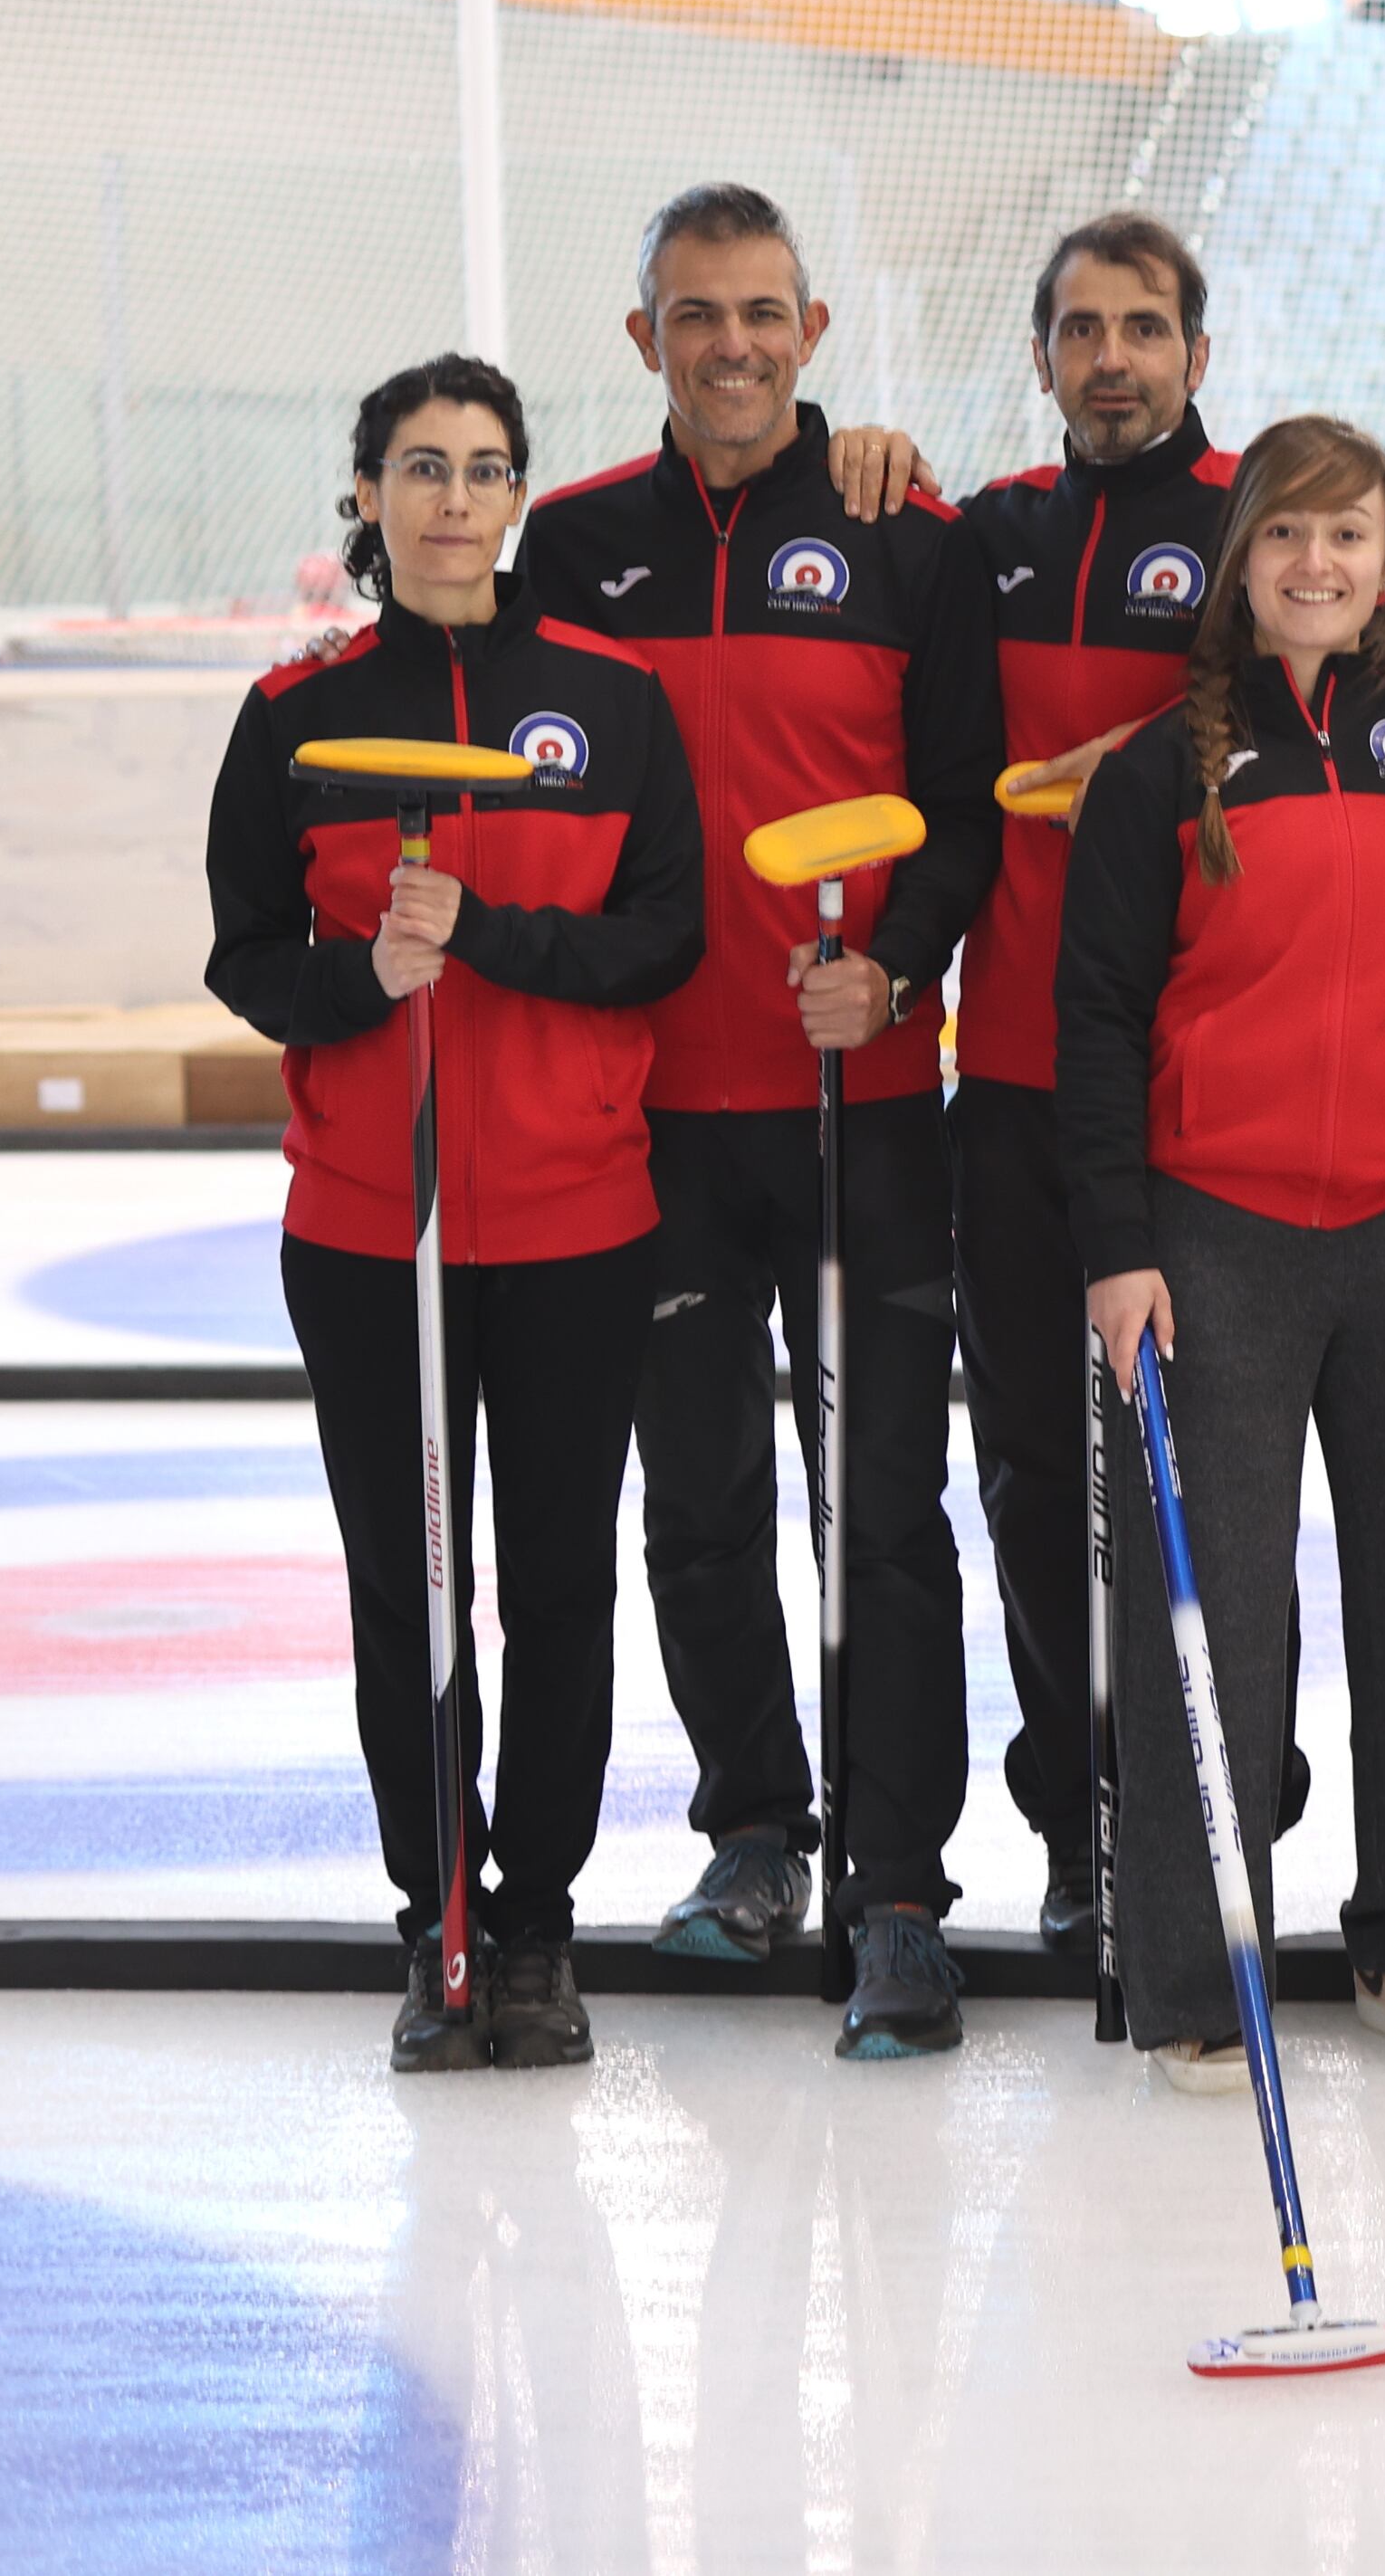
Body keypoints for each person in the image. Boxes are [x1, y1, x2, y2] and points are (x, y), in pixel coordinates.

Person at [527, 181, 1002, 2059]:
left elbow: (960, 811)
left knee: (881, 1506)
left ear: (813, 332)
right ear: (644, 338)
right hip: (645, 1121)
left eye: (762, 312)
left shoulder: (907, 536)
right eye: (693, 313)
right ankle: (754, 1836)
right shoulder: (566, 547)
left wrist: (892, 969)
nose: (731, 343)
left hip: (861, 1107)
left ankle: (899, 1888)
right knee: (703, 1505)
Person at [204, 353, 702, 2072]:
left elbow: (664, 937)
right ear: (367, 495)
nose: (454, 498)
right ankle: (442, 1918)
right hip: (366, 1227)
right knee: (407, 1583)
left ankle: (542, 1918)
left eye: (487, 468)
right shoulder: (293, 713)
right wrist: (365, 975)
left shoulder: (613, 701)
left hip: (575, 1217)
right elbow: (248, 959)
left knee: (560, 1578)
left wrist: (489, 934)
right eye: (420, 466)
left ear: (516, 500)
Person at [1055, 415, 1385, 2086]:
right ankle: (1202, 1963)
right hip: (1211, 1241)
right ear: (1240, 562)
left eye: (1351, 539)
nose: (1318, 567)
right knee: (1212, 1613)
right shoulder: (1156, 772)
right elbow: (1097, 1021)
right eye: (1288, 538)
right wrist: (1116, 1244)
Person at [944, 212, 1237, 1959]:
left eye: (1142, 327)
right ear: (1044, 356)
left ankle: (1218, 1802)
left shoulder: (1248, 528)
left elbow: (1308, 698)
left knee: (1203, 1468)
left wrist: (1139, 750)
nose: (1110, 356)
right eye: (1079, 330)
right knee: (1037, 1473)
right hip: (1016, 1078)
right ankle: (1080, 1818)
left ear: (1197, 353)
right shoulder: (981, 536)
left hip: (1198, 1082)